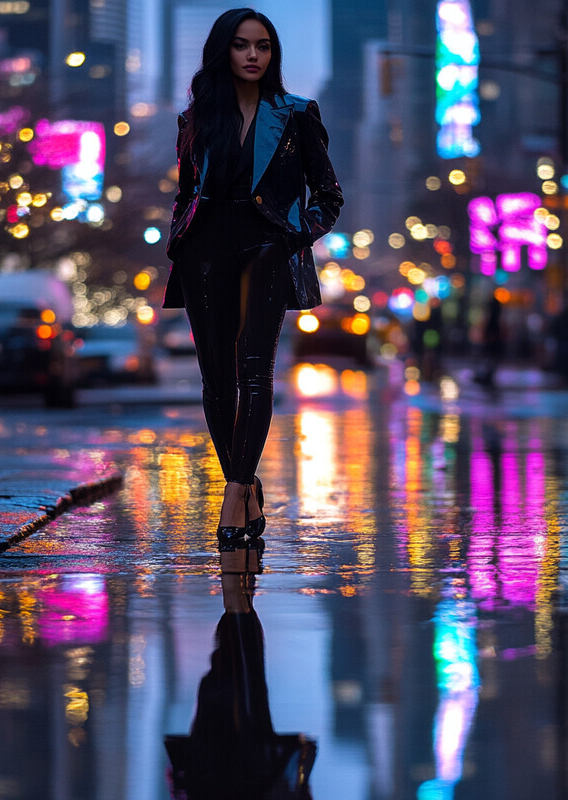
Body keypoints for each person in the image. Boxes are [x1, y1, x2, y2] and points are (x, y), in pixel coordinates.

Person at [163, 9, 343, 545]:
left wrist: (293, 237)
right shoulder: (196, 119)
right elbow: (185, 193)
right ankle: (244, 484)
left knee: (254, 371)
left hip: (267, 250)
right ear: (224, 52)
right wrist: (179, 239)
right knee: (216, 380)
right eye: (242, 45)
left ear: (273, 54)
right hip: (204, 254)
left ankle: (235, 493)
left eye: (262, 46)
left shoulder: (296, 115)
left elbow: (329, 197)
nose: (252, 55)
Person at [164, 542, 317, 799]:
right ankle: (238, 585)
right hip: (236, 745)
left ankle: (237, 582)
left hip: (240, 747)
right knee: (237, 657)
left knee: (237, 657)